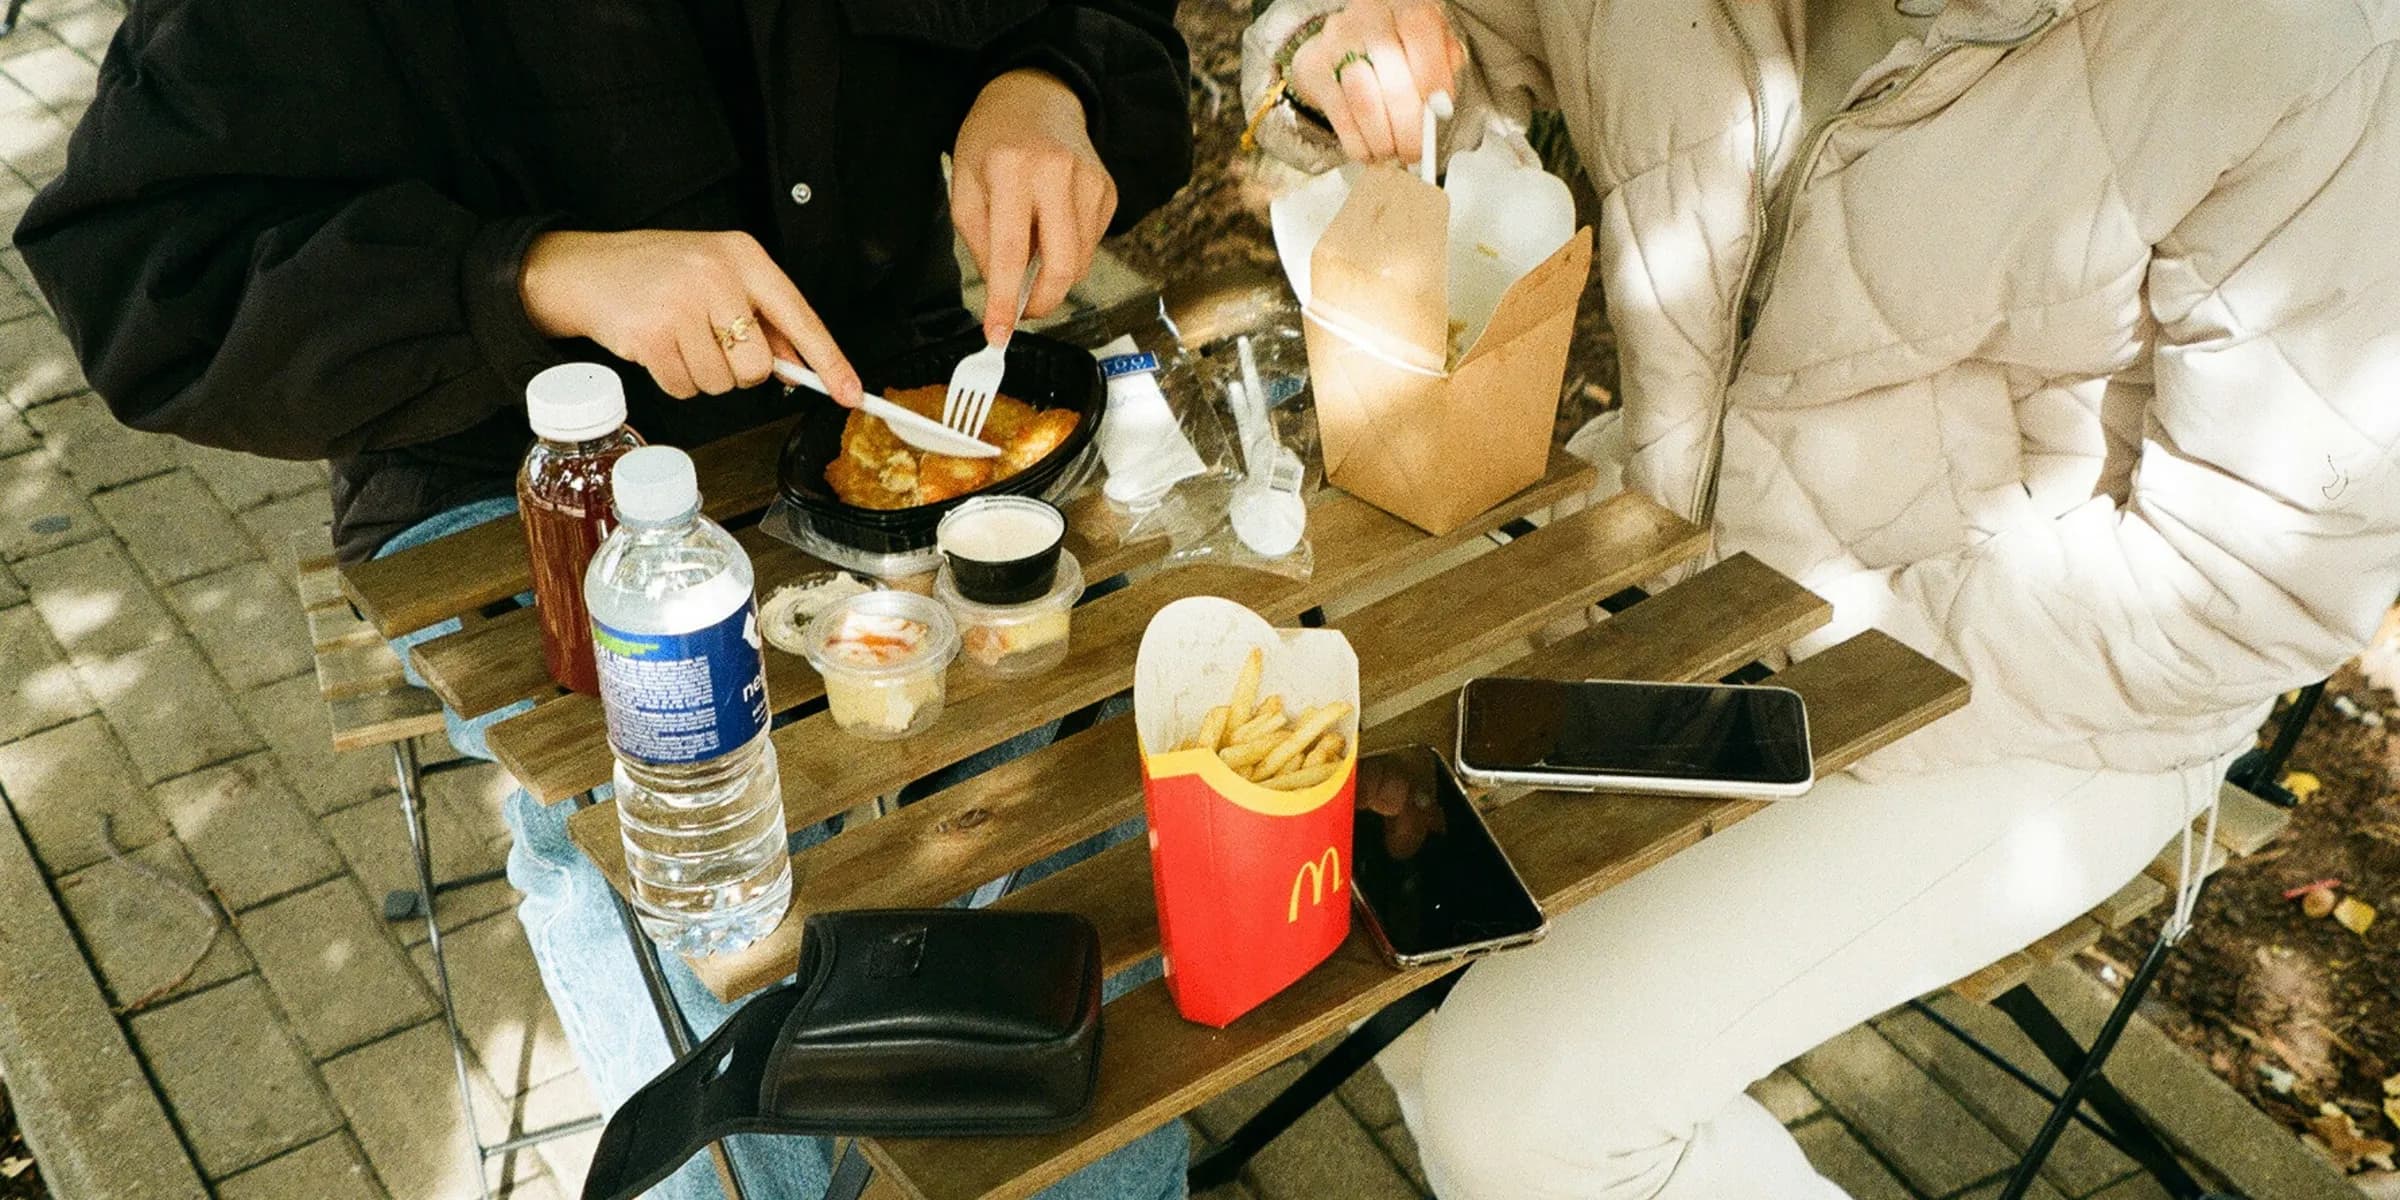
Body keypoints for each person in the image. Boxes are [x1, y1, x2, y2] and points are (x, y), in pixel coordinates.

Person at [16, 3, 1195, 1197]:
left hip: (888, 410)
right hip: (517, 465)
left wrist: (1050, 81)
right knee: (662, 831)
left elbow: (1116, 26)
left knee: (1074, 736)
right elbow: (142, 281)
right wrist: (538, 275)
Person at [1244, 0, 2400, 1195]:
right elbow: (1445, 48)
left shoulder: (2304, 43)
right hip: (1680, 559)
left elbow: (2253, 581)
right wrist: (1340, 58)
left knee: (1526, 1111)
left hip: (2051, 692)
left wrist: (1808, 664)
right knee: (1320, 864)